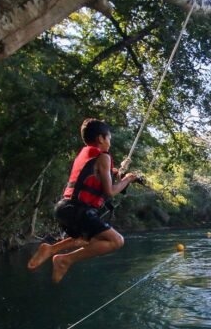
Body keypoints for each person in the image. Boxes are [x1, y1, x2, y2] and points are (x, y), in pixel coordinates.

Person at [28, 118, 139, 282]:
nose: (110, 142)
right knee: (116, 241)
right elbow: (110, 191)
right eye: (109, 138)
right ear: (101, 138)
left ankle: (51, 249)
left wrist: (118, 172)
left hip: (64, 208)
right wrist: (127, 179)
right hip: (78, 210)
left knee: (87, 240)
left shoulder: (86, 153)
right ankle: (64, 260)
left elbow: (99, 175)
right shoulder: (103, 157)